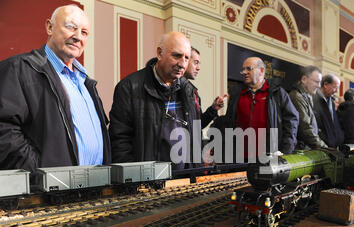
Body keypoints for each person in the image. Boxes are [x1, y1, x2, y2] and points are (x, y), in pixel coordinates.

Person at [0, 5, 111, 172]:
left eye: (84, 32)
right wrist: (39, 172)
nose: (77, 37)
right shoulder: (17, 69)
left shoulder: (87, 82)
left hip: (95, 188)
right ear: (49, 27)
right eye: (70, 27)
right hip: (50, 192)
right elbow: (4, 130)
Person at [109, 31, 199, 170]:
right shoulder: (129, 88)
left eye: (187, 58)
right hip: (147, 184)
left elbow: (194, 139)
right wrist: (134, 181)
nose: (182, 64)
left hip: (184, 181)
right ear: (159, 53)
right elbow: (120, 142)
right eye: (176, 56)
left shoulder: (189, 92)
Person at [216, 57, 298, 160]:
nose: (244, 72)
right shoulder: (236, 94)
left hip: (268, 158)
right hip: (239, 159)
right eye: (243, 69)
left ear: (262, 70)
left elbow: (291, 122)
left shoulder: (277, 93)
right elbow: (228, 124)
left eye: (249, 69)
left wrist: (286, 151)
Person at [182, 47, 227, 129]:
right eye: (195, 63)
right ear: (185, 61)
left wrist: (213, 108)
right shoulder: (171, 88)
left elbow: (198, 126)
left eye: (199, 64)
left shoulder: (193, 92)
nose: (198, 68)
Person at [289, 65, 327, 149]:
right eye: (316, 82)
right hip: (299, 149)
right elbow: (305, 128)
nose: (319, 86)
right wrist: (324, 147)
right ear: (304, 79)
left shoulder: (305, 96)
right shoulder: (296, 96)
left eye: (320, 82)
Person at [312, 74, 344, 148]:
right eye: (335, 87)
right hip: (320, 146)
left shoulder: (331, 102)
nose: (336, 91)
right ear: (325, 84)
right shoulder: (314, 99)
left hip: (331, 146)